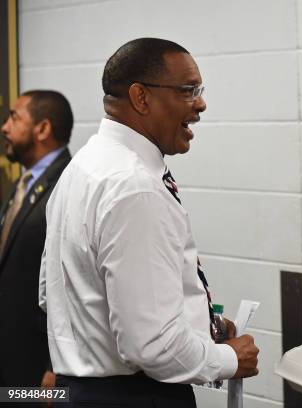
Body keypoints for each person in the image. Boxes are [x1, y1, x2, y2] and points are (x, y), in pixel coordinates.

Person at [39, 38, 259, 408]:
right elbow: (153, 346)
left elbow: (53, 294)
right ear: (141, 98)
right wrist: (230, 360)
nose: (201, 103)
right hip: (133, 396)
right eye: (188, 91)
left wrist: (202, 329)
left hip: (81, 391)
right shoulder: (134, 187)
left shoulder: (82, 167)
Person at [0, 90, 72, 391]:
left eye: (15, 117)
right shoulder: (24, 182)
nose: (5, 126)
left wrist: (54, 365)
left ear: (42, 129)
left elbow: (69, 282)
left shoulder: (67, 183)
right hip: (12, 357)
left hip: (40, 368)